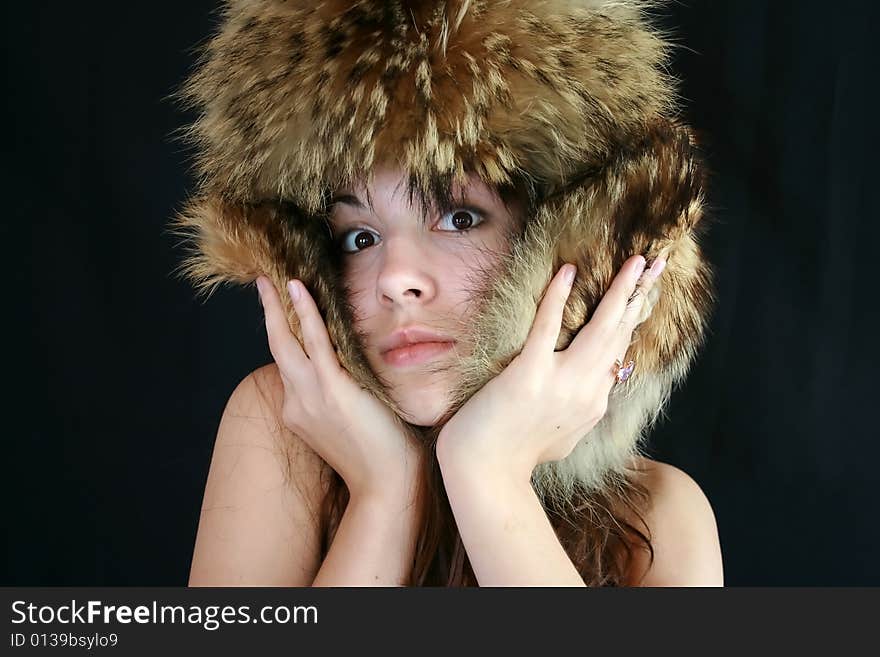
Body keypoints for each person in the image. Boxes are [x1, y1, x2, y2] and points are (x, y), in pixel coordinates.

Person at [174, 0, 723, 586]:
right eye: (359, 237)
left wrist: (488, 473)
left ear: (570, 240)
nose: (393, 278)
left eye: (459, 218)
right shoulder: (281, 431)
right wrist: (384, 493)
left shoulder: (662, 518)